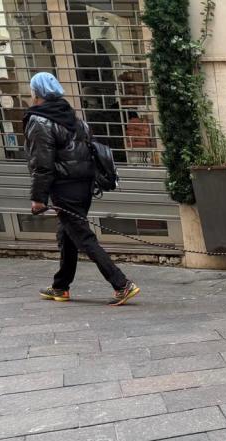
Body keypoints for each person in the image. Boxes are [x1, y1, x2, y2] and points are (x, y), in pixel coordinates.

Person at [25, 72, 139, 305]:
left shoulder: (40, 121)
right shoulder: (73, 118)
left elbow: (42, 163)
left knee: (83, 237)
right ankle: (60, 287)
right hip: (84, 186)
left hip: (64, 188)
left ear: (36, 93)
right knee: (68, 235)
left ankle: (121, 284)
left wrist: (38, 198)